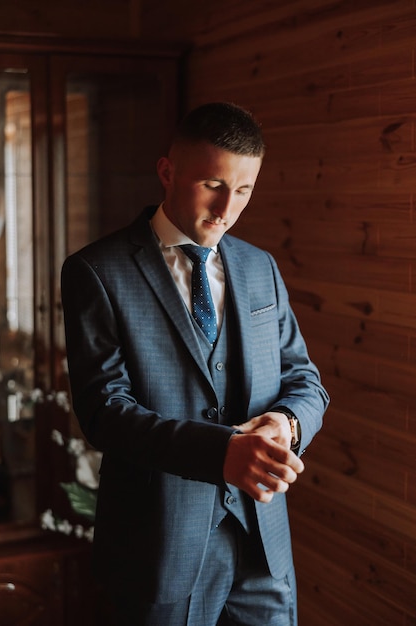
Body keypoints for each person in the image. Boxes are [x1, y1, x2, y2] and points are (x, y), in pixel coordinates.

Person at [61, 101, 329, 626]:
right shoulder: (95, 271)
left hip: (263, 548)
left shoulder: (260, 267)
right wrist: (221, 452)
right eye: (212, 184)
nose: (227, 208)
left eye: (245, 190)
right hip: (157, 549)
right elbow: (104, 413)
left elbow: (305, 378)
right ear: (167, 171)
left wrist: (287, 422)